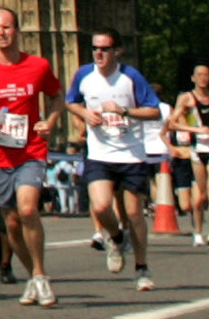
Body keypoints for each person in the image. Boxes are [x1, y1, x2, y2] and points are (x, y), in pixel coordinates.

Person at [0, 8, 60, 308]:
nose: (1, 33)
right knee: (12, 223)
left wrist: (50, 121)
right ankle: (32, 277)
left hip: (31, 151)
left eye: (6, 27)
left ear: (17, 30)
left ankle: (41, 274)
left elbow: (57, 97)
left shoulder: (38, 66)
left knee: (28, 209)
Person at [64, 31, 162, 292]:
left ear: (117, 51)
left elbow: (154, 110)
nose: (98, 53)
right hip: (100, 154)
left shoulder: (131, 77)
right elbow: (70, 102)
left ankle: (142, 267)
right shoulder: (84, 75)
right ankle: (116, 238)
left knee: (134, 213)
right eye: (95, 48)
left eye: (104, 49)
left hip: (131, 154)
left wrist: (124, 111)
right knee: (100, 206)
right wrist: (85, 113)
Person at [168, 65, 209, 246]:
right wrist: (196, 130)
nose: (203, 78)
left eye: (206, 75)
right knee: (200, 197)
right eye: (199, 75)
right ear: (193, 78)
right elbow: (172, 123)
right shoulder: (187, 98)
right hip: (197, 149)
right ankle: (198, 231)